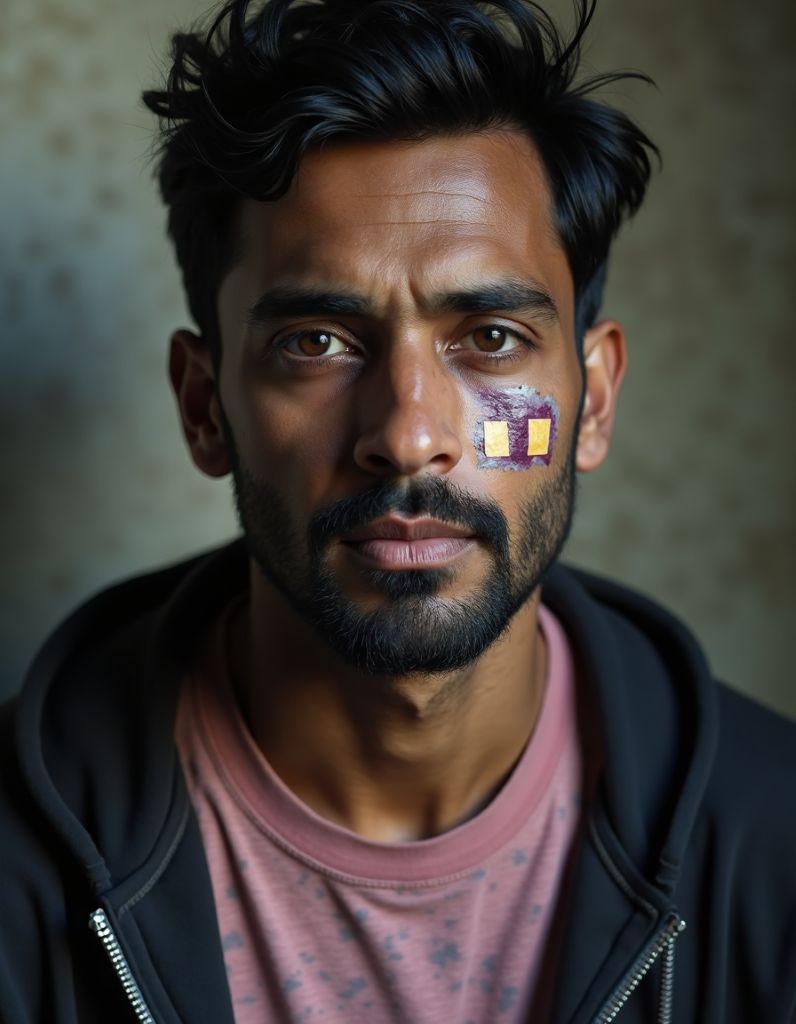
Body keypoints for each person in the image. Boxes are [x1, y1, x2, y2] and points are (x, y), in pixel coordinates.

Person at [1, 0, 794, 1020]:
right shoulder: (18, 862)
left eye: (492, 337)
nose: (409, 433)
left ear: (590, 401)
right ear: (206, 408)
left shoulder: (775, 844)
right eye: (317, 342)